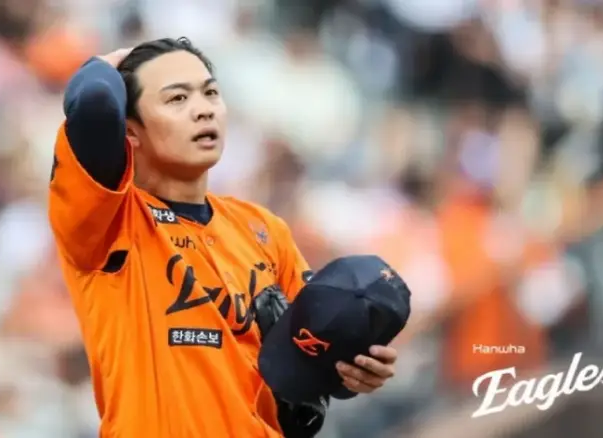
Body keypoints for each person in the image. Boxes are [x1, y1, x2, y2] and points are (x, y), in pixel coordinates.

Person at [47, 37, 399, 438]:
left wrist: (354, 370)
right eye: (177, 98)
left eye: (211, 92)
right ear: (130, 132)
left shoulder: (262, 228)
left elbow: (314, 358)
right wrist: (106, 62)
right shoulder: (110, 222)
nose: (203, 109)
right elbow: (94, 100)